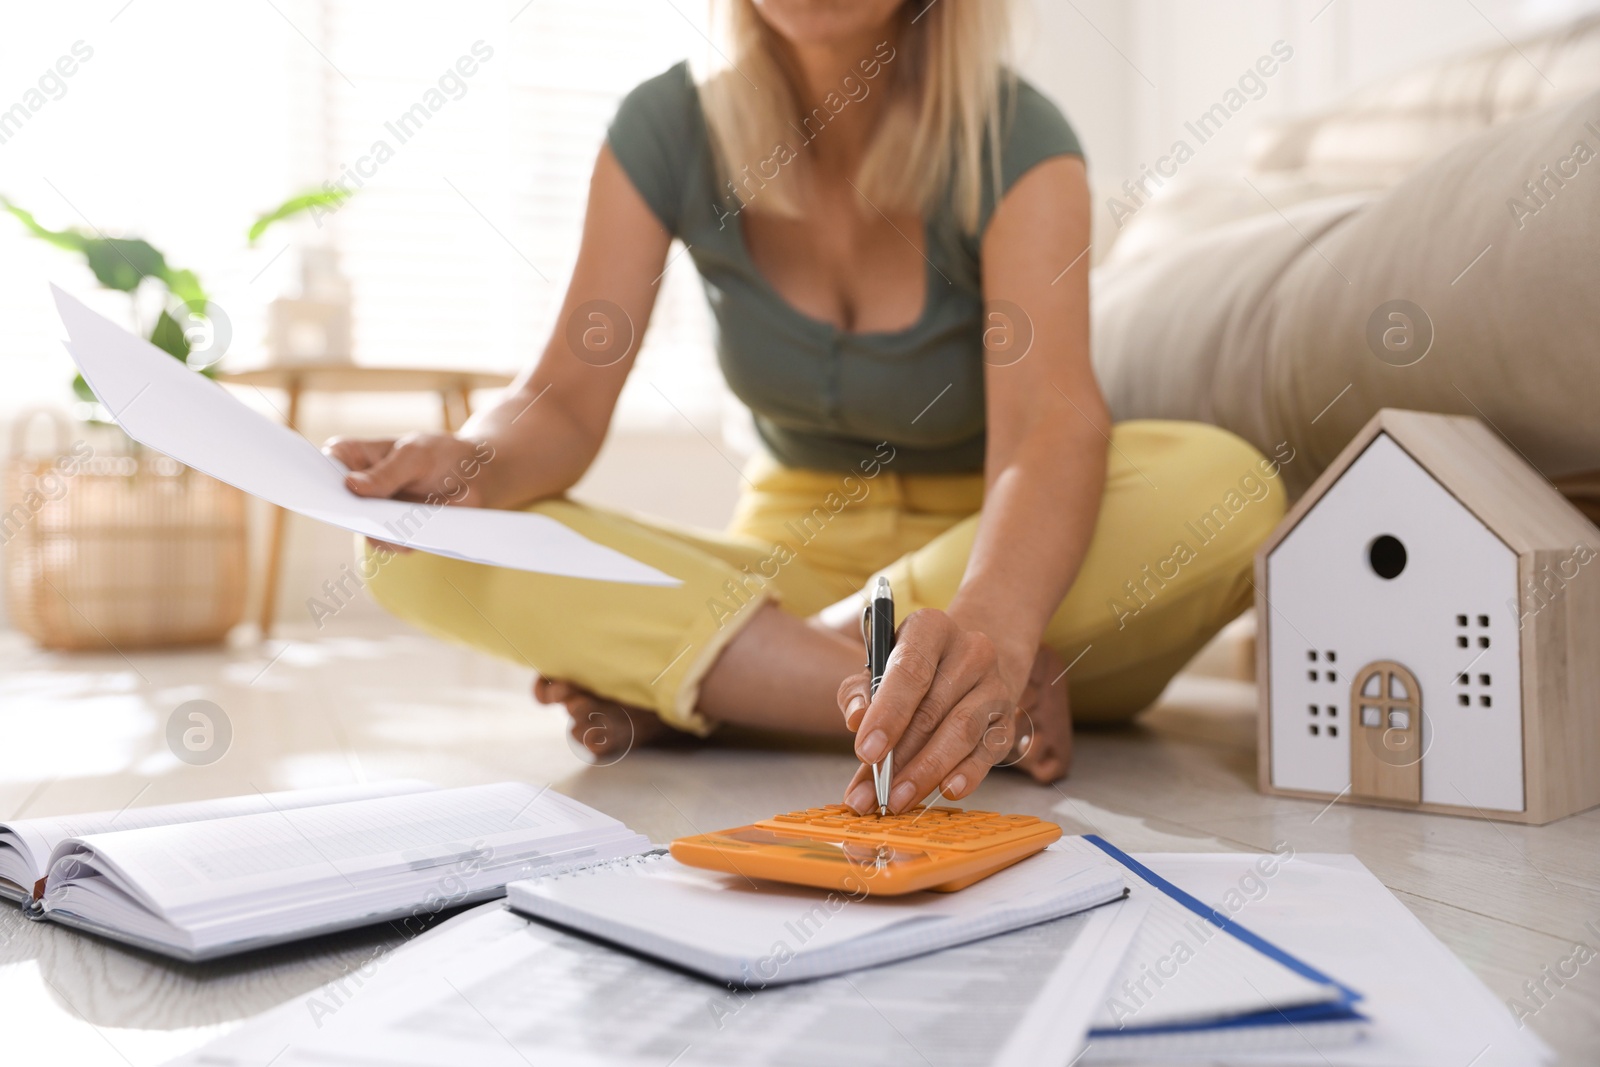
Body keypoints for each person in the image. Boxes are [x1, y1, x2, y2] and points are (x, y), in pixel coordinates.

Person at [325, 0, 1286, 815]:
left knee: (1230, 486)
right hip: (791, 551)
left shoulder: (1020, 141)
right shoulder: (665, 131)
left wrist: (991, 630)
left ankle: (741, 682)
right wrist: (473, 459)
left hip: (1007, 559)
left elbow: (1046, 427)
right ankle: (888, 693)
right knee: (414, 543)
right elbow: (559, 404)